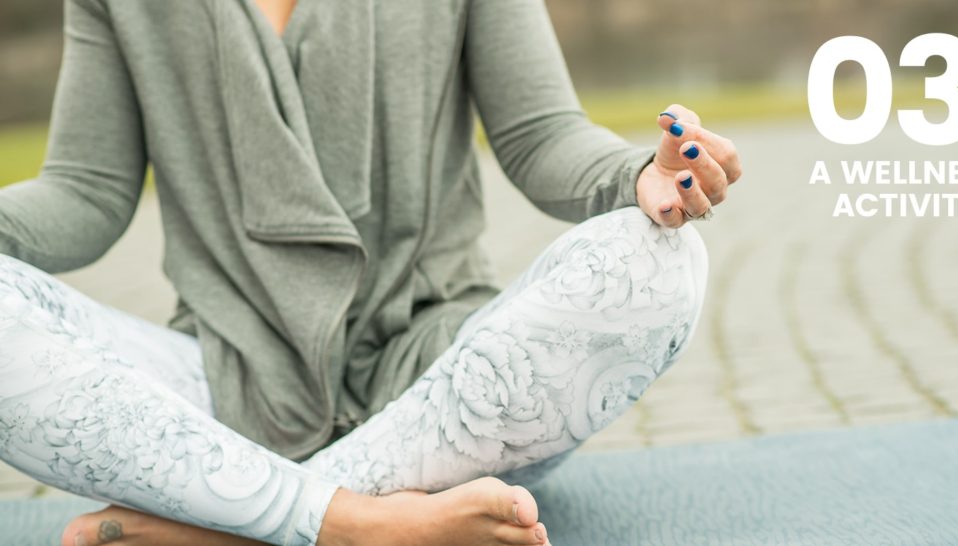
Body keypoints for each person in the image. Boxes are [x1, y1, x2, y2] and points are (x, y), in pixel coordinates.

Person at [0, 0, 742, 544]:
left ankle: (232, 524)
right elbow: (85, 191)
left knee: (656, 263)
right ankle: (360, 525)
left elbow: (540, 135)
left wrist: (641, 173)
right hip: (227, 383)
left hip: (438, 385)